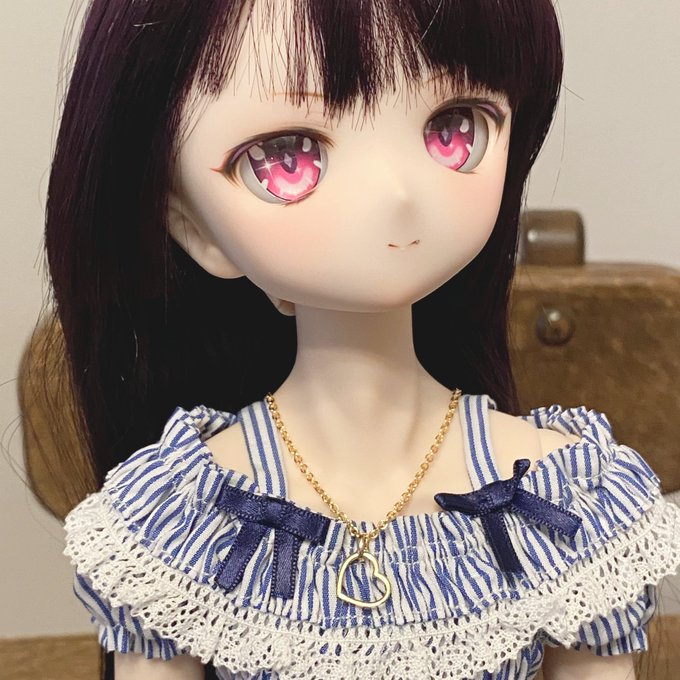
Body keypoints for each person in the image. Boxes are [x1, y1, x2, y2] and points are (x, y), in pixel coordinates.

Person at [44, 0, 680, 678]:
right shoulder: (181, 521)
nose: (397, 193)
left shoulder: (566, 504)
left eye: (454, 128)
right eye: (287, 158)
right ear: (194, 229)